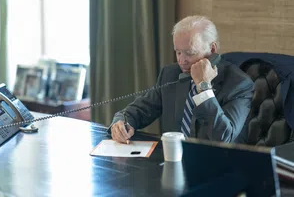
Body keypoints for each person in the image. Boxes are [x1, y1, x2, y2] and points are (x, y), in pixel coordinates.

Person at [108, 15, 254, 144]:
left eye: (189, 53)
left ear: (212, 50)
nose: (181, 61)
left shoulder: (239, 84)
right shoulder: (171, 74)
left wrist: (204, 88)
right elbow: (139, 110)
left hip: (218, 168)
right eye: (178, 52)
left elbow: (223, 137)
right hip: (173, 162)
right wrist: (121, 122)